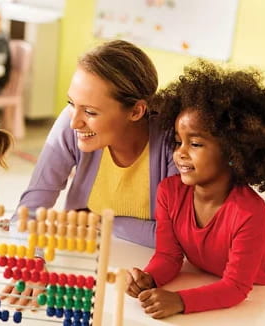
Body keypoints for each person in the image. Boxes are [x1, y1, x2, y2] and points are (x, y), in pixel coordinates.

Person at [126, 61, 265, 318]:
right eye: (178, 142)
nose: (179, 153)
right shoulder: (169, 193)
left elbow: (236, 287)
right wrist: (150, 278)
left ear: (231, 151)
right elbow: (168, 256)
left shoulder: (250, 212)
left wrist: (179, 301)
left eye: (195, 144)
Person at [16, 40, 177, 248]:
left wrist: (98, 221)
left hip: (147, 267)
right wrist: (31, 263)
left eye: (91, 112)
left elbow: (174, 236)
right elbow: (28, 213)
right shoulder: (70, 123)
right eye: (71, 103)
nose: (75, 122)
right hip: (83, 256)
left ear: (136, 111)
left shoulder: (173, 144)